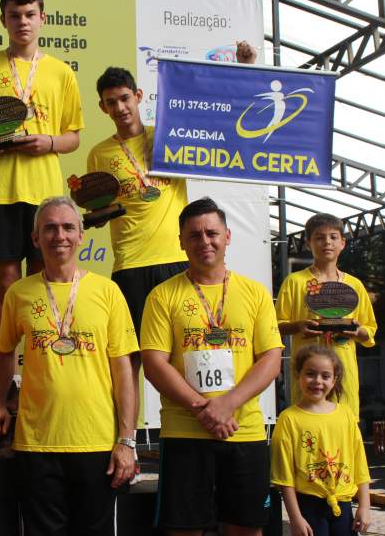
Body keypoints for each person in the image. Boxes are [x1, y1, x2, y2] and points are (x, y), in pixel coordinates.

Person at [0, 197, 138, 536]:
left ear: (82, 235)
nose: (60, 236)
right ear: (35, 238)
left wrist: (127, 441)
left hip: (97, 443)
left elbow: (124, 371)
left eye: (68, 227)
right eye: (50, 228)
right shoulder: (18, 293)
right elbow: (4, 351)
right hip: (36, 444)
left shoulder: (108, 292)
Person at [141, 197, 283, 536]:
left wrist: (227, 405)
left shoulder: (256, 293)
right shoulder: (162, 296)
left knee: (246, 528)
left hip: (243, 430)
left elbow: (271, 359)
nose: (204, 241)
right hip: (185, 433)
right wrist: (205, 409)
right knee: (184, 529)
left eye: (212, 233)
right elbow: (154, 363)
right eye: (194, 235)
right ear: (181, 242)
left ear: (228, 236)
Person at [0, 0, 84, 339]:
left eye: (30, 14)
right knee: (6, 281)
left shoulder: (62, 72)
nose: (22, 22)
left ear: (43, 18)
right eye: (15, 15)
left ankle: (38, 358)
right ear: (3, 20)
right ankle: (7, 368)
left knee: (43, 280)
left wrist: (49, 142)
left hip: (44, 194)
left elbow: (73, 137)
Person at [87, 67, 188, 336]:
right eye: (111, 102)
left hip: (176, 256)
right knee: (130, 353)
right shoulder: (99, 154)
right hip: (130, 263)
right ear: (102, 107)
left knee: (182, 351)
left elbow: (218, 127)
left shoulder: (168, 136)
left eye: (124, 98)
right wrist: (93, 217)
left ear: (139, 96)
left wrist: (244, 69)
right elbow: (98, 209)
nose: (120, 107)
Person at [275, 213, 377, 421]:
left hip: (343, 375)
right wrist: (298, 326)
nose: (327, 243)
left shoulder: (355, 285)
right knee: (307, 428)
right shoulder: (295, 282)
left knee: (343, 433)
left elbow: (370, 331)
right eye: (319, 237)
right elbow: (274, 326)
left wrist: (357, 331)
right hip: (307, 375)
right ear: (308, 243)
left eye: (333, 237)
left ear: (342, 243)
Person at [270, 345, 371, 536]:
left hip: (343, 504)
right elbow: (284, 476)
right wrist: (295, 518)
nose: (317, 381)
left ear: (334, 380)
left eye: (325, 376)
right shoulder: (288, 419)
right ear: (298, 375)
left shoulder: (346, 415)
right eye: (310, 374)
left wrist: (364, 506)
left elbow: (360, 464)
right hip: (307, 505)